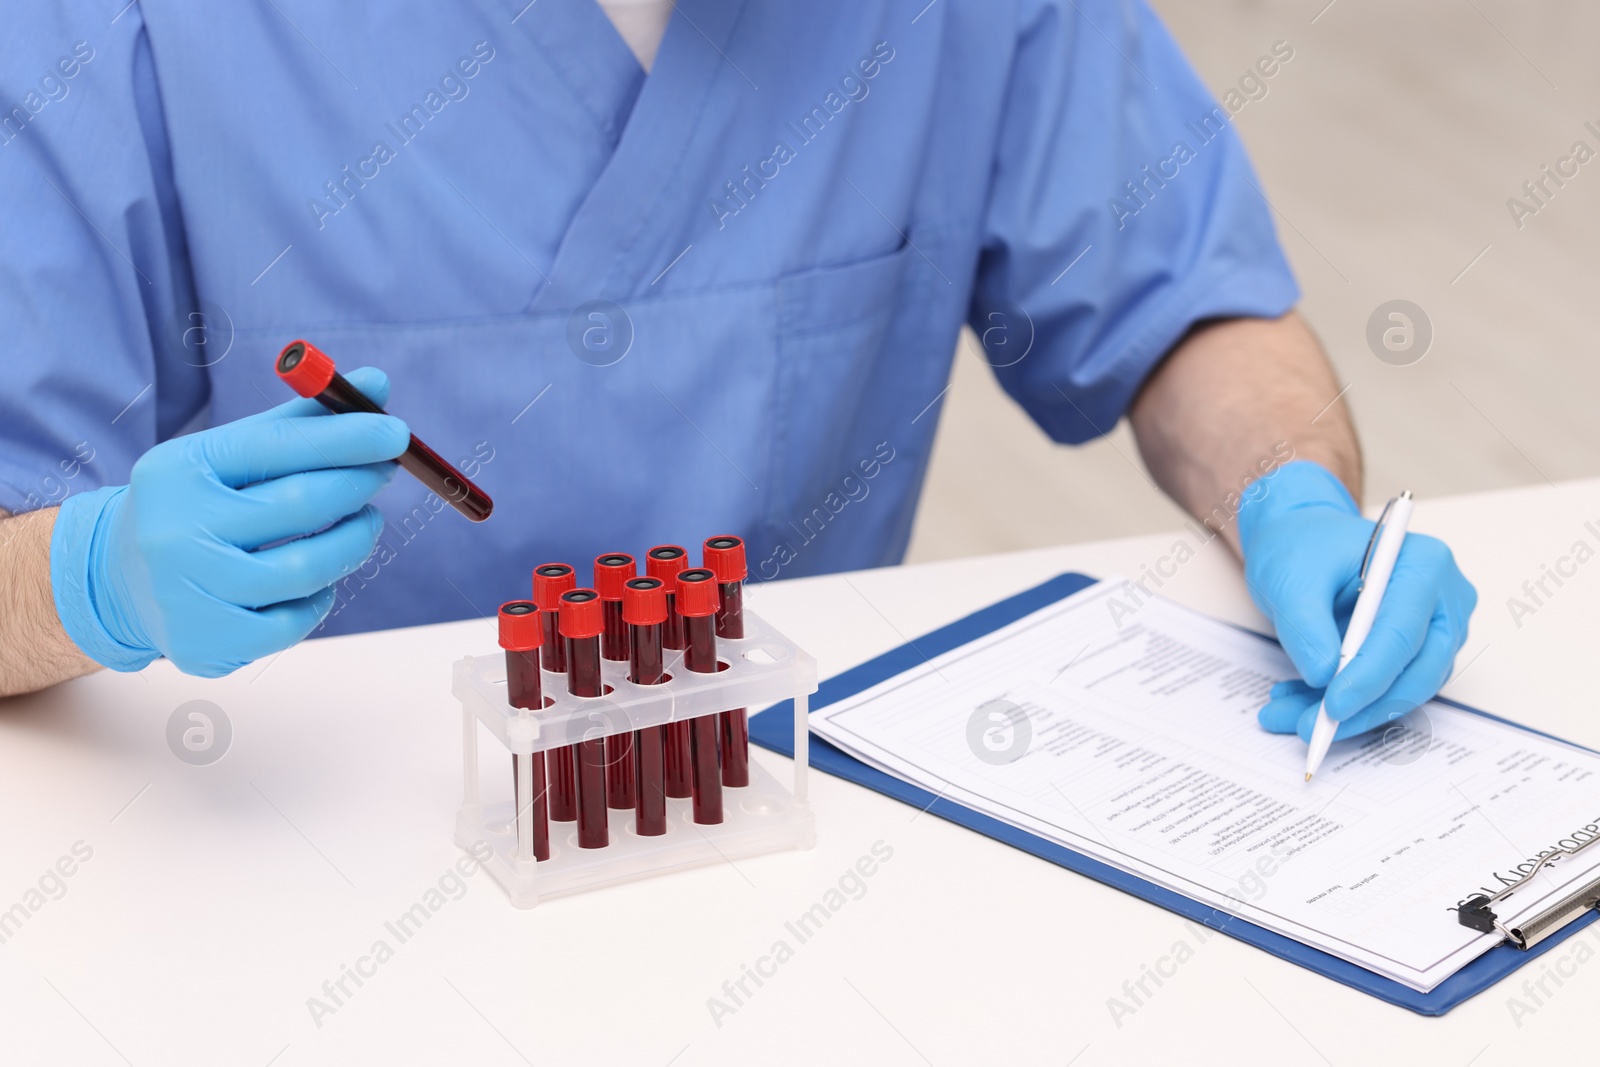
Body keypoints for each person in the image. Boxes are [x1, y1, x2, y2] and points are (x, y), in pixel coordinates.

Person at [0, 0, 1474, 747]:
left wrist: (1294, 492)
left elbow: (1184, 307)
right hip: (264, 849)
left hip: (781, 821)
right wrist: (92, 582)